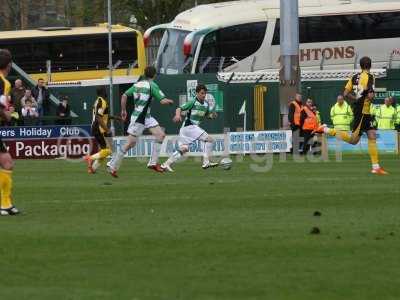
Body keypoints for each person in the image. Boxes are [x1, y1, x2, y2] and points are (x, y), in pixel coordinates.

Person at [317, 56, 387, 175]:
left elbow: (345, 93)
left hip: (364, 111)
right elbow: (370, 95)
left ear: (360, 66)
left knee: (372, 135)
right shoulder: (370, 77)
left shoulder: (354, 77)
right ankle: (326, 129)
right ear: (370, 65)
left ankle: (376, 167)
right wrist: (367, 97)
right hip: (362, 112)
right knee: (353, 140)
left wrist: (356, 99)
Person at [107, 66, 174, 177]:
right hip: (139, 118)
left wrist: (124, 111)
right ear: (154, 75)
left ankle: (152, 163)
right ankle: (112, 165)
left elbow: (124, 96)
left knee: (160, 135)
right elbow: (163, 101)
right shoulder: (152, 85)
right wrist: (170, 101)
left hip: (145, 116)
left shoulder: (137, 84)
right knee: (130, 143)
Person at [161, 84, 219, 172]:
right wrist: (177, 115)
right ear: (197, 93)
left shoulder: (206, 104)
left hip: (187, 129)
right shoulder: (192, 102)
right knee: (209, 140)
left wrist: (213, 116)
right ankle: (206, 162)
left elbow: (207, 116)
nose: (203, 95)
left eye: (205, 93)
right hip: (189, 127)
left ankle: (166, 164)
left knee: (184, 149)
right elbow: (179, 109)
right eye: (202, 93)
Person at [0, 49, 20, 215]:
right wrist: (8, 114)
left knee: (6, 162)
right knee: (7, 163)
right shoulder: (3, 82)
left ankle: (6, 204)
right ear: (9, 64)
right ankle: (5, 204)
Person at [84, 87, 113, 174]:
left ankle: (92, 169)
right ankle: (89, 158)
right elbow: (98, 117)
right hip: (98, 128)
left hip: (95, 127)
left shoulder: (98, 101)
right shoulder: (102, 102)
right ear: (103, 92)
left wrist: (116, 118)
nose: (106, 92)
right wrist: (107, 130)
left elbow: (102, 115)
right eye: (105, 90)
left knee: (104, 151)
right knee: (108, 151)